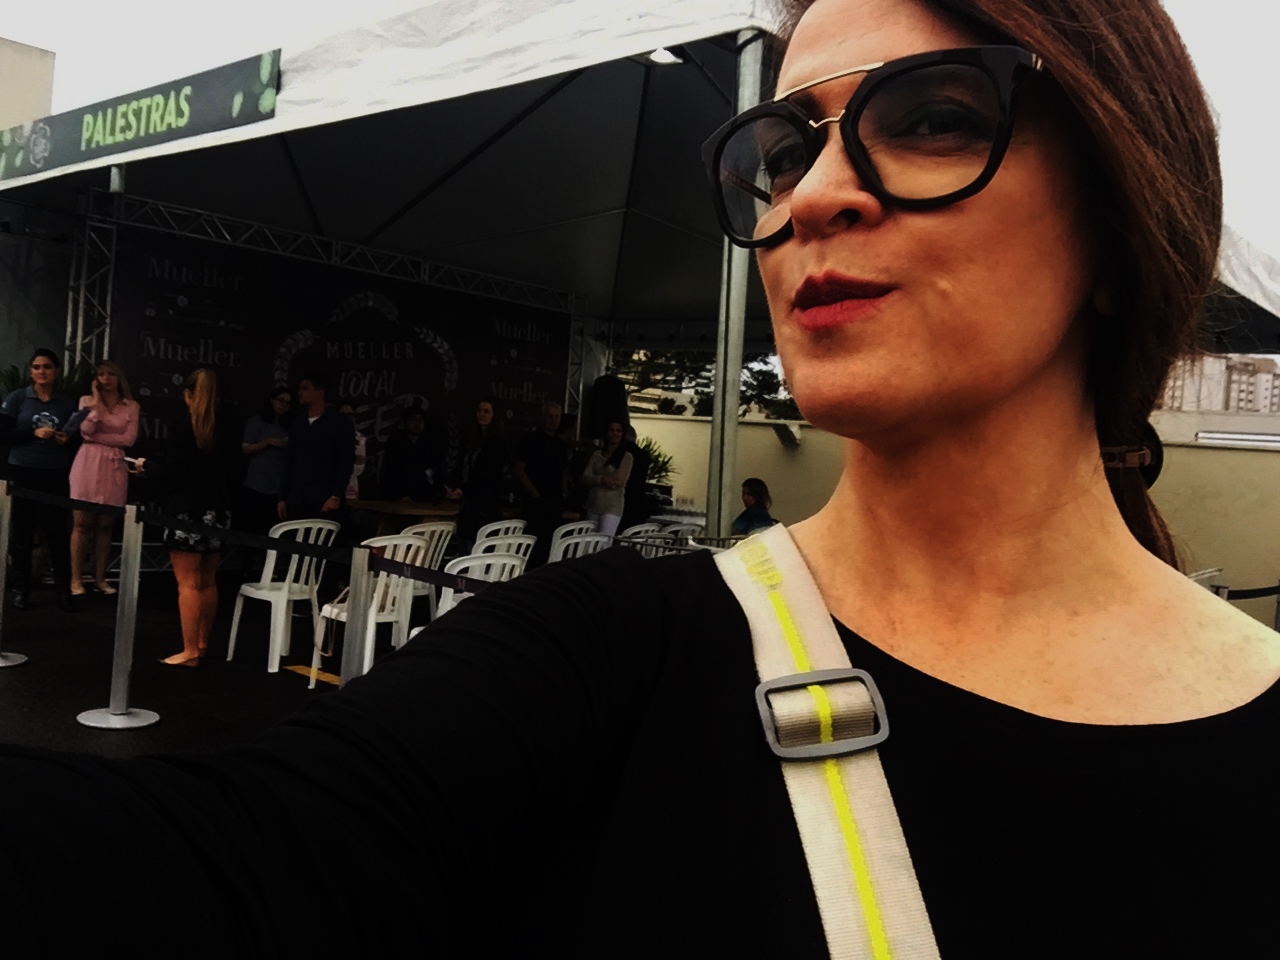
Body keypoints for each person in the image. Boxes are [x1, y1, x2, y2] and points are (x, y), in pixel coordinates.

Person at [0, 1, 1277, 955]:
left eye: (934, 117)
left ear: (1120, 214)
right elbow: (228, 861)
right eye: (782, 151)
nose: (812, 197)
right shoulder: (611, 654)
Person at [132, 369, 241, 666]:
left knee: (188, 583)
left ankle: (189, 650)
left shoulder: (182, 426)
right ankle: (202, 643)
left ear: (188, 394)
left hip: (186, 511)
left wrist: (146, 466)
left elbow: (174, 472)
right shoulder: (227, 427)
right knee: (208, 581)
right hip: (218, 511)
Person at [0, 348, 79, 611]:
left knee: (57, 533)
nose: (42, 372)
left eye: (47, 367)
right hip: (22, 469)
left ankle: (63, 592)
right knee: (22, 532)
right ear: (31, 371)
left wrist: (66, 439)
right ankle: (21, 590)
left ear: (56, 371)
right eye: (36, 367)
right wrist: (32, 434)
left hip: (56, 472)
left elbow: (77, 440)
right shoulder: (17, 398)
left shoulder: (66, 403)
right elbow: (3, 436)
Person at [68, 360, 140, 596]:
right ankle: (76, 578)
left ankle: (100, 578)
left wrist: (100, 438)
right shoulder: (86, 401)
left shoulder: (131, 406)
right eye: (101, 374)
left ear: (119, 378)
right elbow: (86, 432)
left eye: (111, 374)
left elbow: (129, 439)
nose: (106, 379)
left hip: (115, 464)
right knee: (82, 524)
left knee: (106, 525)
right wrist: (97, 405)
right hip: (88, 462)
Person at [277, 373, 355, 522]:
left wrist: (336, 496)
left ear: (320, 392)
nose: (299, 393)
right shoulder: (297, 423)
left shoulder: (340, 423)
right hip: (296, 498)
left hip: (323, 497)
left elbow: (346, 461)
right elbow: (289, 461)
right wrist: (282, 497)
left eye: (305, 388)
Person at [444, 398, 508, 549]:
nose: (481, 415)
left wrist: (463, 490)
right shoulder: (474, 439)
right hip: (469, 506)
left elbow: (486, 474)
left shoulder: (497, 442)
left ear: (494, 415)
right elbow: (465, 467)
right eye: (479, 411)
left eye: (486, 411)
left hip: (484, 507)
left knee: (475, 549)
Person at [512, 399, 568, 565]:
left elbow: (563, 471)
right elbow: (518, 469)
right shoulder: (530, 440)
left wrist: (565, 493)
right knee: (531, 548)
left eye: (557, 417)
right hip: (535, 504)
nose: (553, 420)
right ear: (543, 417)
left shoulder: (560, 444)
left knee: (550, 548)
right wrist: (535, 494)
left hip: (554, 503)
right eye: (550, 416)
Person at [581, 420, 633, 538]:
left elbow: (618, 482)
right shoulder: (596, 455)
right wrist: (602, 479)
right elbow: (585, 477)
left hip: (612, 507)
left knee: (604, 541)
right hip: (593, 505)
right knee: (589, 542)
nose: (614, 433)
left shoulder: (626, 457)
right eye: (611, 430)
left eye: (618, 431)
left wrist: (596, 479)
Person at [379, 406, 435, 502]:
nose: (417, 423)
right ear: (404, 422)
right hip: (398, 495)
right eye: (413, 419)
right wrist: (400, 494)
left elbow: (432, 468)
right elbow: (392, 471)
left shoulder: (427, 442)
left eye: (420, 420)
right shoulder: (396, 441)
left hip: (423, 495)